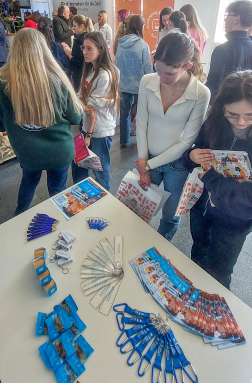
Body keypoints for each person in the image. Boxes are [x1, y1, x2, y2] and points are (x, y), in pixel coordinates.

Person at [0, 28, 82, 215]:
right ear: (42, 48)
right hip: (59, 151)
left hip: (27, 152)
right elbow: (75, 118)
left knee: (28, 183)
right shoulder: (57, 78)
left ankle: (20, 215)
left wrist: (14, 124)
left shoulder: (0, 81)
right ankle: (58, 224)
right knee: (57, 191)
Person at [136, 32, 210, 241]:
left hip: (177, 163)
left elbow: (187, 140)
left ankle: (160, 248)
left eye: (169, 73)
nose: (162, 77)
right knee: (139, 206)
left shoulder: (201, 93)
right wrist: (144, 162)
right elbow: (141, 123)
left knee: (171, 215)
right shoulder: (147, 82)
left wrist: (148, 165)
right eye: (157, 69)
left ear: (187, 65)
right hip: (147, 155)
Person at [182, 70, 252, 289]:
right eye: (232, 114)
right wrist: (191, 155)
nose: (241, 122)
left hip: (234, 223)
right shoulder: (214, 122)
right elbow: (195, 149)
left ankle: (213, 316)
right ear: (222, 108)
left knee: (219, 274)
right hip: (202, 209)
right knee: (197, 256)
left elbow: (247, 199)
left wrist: (212, 178)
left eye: (250, 115)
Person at [72, 31, 120, 191]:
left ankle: (105, 204)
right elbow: (80, 97)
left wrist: (83, 102)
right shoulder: (92, 70)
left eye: (89, 48)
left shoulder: (105, 75)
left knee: (101, 171)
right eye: (83, 47)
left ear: (100, 50)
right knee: (82, 166)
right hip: (88, 128)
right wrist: (83, 102)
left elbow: (91, 105)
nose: (84, 52)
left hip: (99, 131)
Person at [115, 15, 153, 147]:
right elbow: (148, 67)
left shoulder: (120, 44)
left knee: (124, 114)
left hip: (124, 84)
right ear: (140, 27)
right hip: (140, 85)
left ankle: (124, 141)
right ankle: (141, 142)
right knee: (141, 115)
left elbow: (117, 64)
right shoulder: (143, 45)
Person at [206, 0, 252, 105]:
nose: (225, 20)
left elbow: (213, 89)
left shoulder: (222, 50)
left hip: (226, 109)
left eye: (227, 15)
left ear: (237, 19)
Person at [63, 14, 94, 91]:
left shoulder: (78, 41)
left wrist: (68, 54)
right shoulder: (90, 37)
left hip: (79, 72)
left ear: (81, 26)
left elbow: (77, 61)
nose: (72, 28)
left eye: (74, 26)